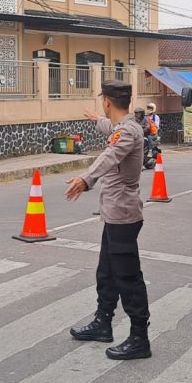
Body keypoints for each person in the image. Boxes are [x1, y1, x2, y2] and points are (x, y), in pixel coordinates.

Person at [66, 80, 151, 361]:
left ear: (107, 101)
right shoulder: (122, 126)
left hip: (123, 215)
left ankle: (140, 338)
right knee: (106, 272)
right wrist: (98, 119)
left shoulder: (127, 131)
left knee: (127, 277)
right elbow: (111, 130)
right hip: (114, 215)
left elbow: (111, 153)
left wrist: (85, 178)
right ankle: (103, 323)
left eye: (102, 102)